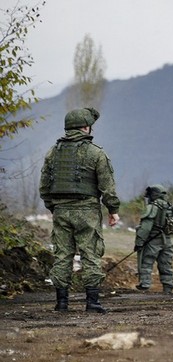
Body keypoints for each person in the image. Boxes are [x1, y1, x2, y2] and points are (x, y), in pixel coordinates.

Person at [40, 107, 121, 314]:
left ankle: (62, 303)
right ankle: (92, 303)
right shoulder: (96, 153)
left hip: (61, 211)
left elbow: (44, 187)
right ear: (86, 127)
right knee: (90, 254)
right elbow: (107, 187)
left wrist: (54, 207)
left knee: (62, 255)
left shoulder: (52, 152)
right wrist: (113, 210)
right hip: (87, 211)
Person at [134, 184, 173, 294]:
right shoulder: (171, 207)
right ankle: (168, 286)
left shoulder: (153, 207)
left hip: (153, 240)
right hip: (168, 240)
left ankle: (145, 285)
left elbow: (146, 227)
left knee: (146, 262)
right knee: (166, 264)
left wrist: (139, 242)